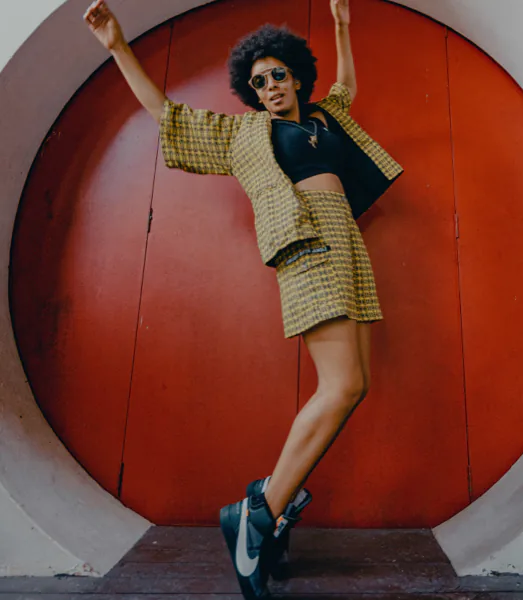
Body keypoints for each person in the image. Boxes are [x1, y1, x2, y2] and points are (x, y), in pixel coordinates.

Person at [84, 1, 403, 597]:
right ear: (250, 93)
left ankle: (267, 505)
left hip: (347, 242)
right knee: (340, 386)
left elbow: (347, 86)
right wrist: (118, 48)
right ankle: (258, 514)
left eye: (277, 74)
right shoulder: (244, 135)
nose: (270, 86)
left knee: (355, 385)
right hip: (306, 242)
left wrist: (341, 25)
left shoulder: (327, 116)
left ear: (296, 77)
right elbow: (168, 115)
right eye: (258, 82)